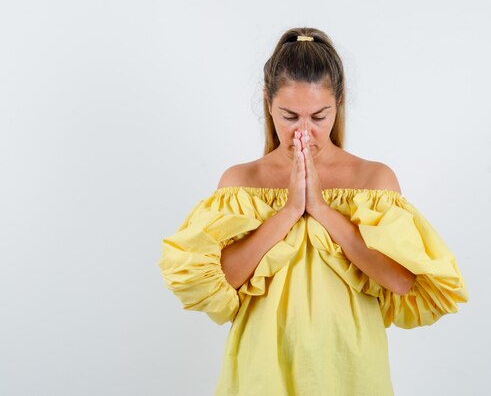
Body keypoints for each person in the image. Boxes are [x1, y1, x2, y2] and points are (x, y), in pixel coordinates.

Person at [157, 27, 469, 396]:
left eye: (319, 117)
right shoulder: (240, 182)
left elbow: (403, 281)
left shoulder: (374, 180)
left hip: (349, 370)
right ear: (267, 103)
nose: (303, 132)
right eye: (289, 116)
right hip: (262, 372)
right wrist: (289, 211)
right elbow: (218, 281)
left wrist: (320, 208)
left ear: (339, 103)